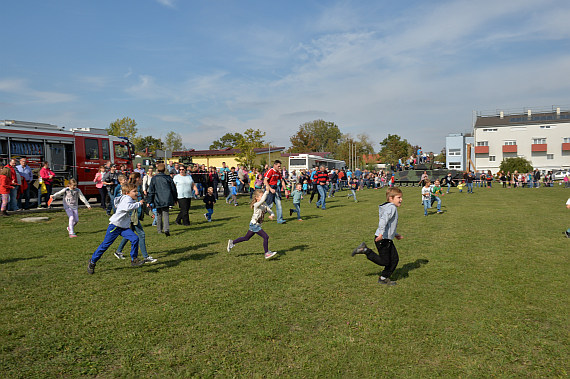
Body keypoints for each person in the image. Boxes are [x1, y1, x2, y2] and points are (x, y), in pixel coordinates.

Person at [86, 182, 145, 274]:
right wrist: (139, 204)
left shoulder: (128, 198)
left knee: (135, 238)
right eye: (134, 191)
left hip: (123, 227)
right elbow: (127, 207)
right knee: (105, 245)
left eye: (136, 191)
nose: (136, 193)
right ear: (127, 193)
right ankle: (92, 262)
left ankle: (134, 259)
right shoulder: (127, 199)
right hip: (115, 226)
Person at [351, 187, 404, 286]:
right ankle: (365, 250)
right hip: (382, 239)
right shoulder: (391, 207)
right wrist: (381, 234)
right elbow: (383, 221)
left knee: (394, 259)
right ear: (391, 198)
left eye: (401, 197)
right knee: (385, 261)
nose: (401, 199)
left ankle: (383, 278)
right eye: (398, 197)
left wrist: (395, 234)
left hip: (386, 239)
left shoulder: (389, 207)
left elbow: (389, 225)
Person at [115, 173, 157, 264]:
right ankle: (145, 257)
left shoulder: (139, 190)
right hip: (132, 218)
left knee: (130, 235)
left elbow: (142, 203)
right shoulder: (132, 190)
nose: (142, 179)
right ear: (137, 179)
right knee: (141, 235)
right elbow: (130, 205)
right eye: (141, 178)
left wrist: (150, 213)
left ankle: (118, 251)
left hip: (136, 217)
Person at [227, 189, 277, 260]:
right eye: (261, 196)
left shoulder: (264, 204)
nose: (263, 198)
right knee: (266, 237)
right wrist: (267, 191)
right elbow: (262, 200)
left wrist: (272, 215)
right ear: (256, 198)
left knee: (246, 238)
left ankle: (232, 242)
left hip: (255, 225)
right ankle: (267, 253)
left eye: (263, 196)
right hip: (254, 224)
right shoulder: (256, 205)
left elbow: (270, 211)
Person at [147, 163, 178, 236]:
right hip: (167, 198)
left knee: (159, 214)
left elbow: (151, 191)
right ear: (164, 170)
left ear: (157, 170)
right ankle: (166, 229)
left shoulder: (154, 178)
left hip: (157, 198)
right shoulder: (168, 178)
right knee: (166, 214)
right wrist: (175, 198)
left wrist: (149, 201)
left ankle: (159, 230)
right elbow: (173, 189)